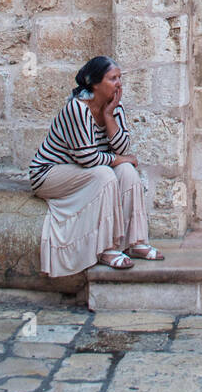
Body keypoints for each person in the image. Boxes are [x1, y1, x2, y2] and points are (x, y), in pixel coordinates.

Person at [29, 55, 164, 276]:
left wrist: (109, 116)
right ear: (94, 83)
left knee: (127, 172)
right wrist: (120, 159)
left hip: (84, 169)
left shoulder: (114, 107)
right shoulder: (77, 109)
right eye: (112, 78)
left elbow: (122, 148)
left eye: (120, 78)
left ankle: (135, 241)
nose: (119, 83)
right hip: (49, 173)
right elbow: (87, 158)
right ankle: (106, 248)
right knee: (105, 175)